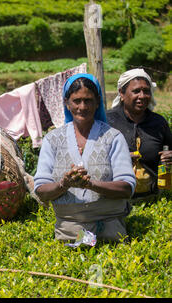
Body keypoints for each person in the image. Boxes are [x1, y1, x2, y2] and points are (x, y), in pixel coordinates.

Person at [34, 74, 136, 242]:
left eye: (88, 100)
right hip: (70, 224)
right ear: (67, 103)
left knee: (109, 242)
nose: (83, 107)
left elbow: (126, 188)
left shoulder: (113, 137)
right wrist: (64, 184)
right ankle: (85, 239)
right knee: (79, 246)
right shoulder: (52, 140)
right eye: (76, 101)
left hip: (109, 221)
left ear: (97, 103)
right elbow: (41, 191)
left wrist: (91, 185)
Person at [106, 68, 172, 200]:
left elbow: (169, 149)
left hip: (151, 198)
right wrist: (121, 159)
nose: (142, 96)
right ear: (122, 94)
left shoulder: (158, 123)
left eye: (146, 91)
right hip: (115, 200)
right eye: (136, 91)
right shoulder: (108, 121)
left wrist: (169, 156)